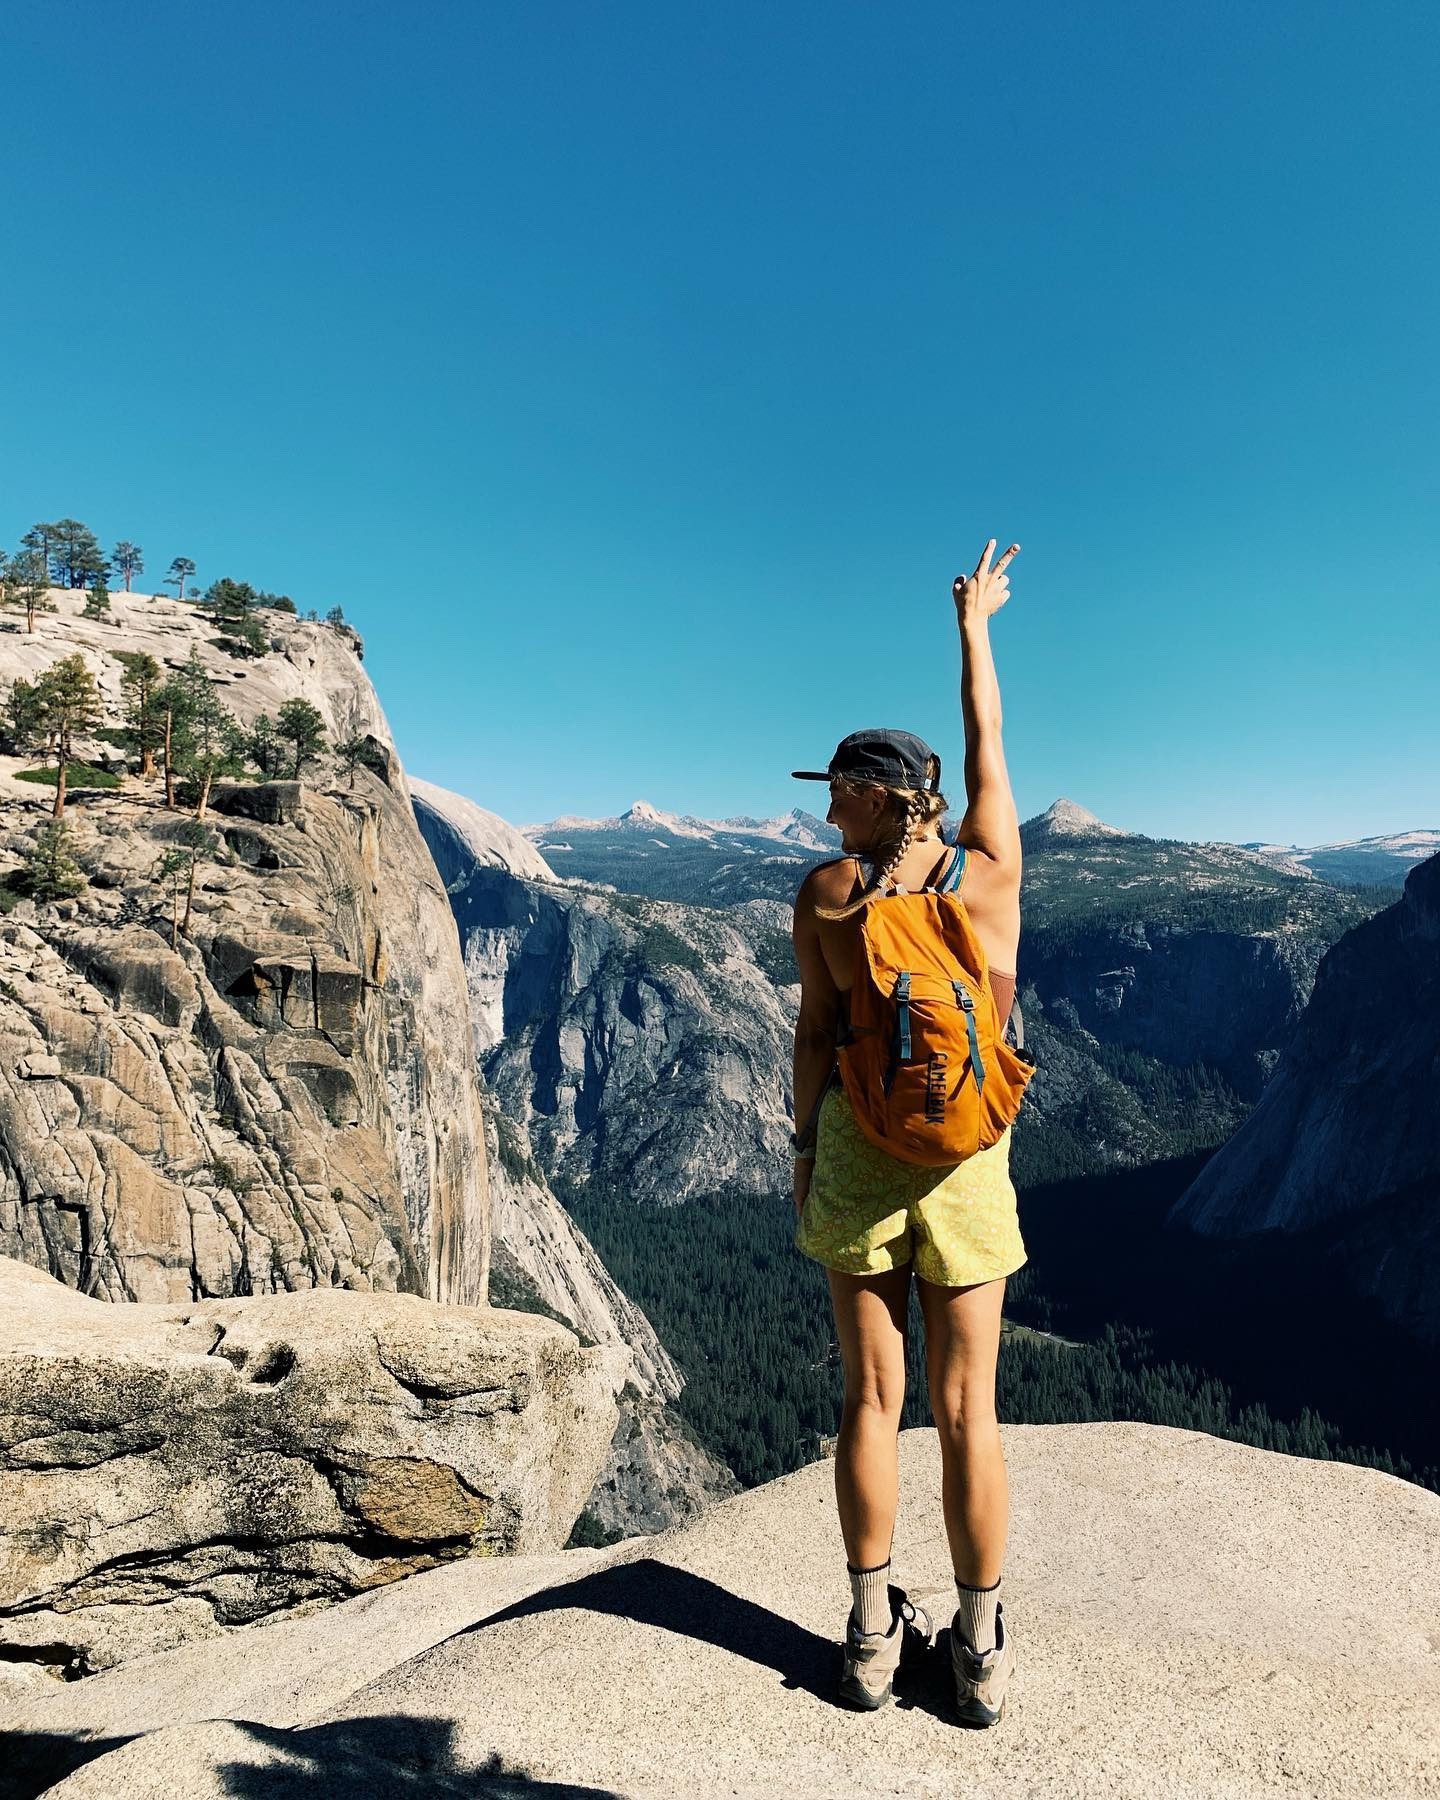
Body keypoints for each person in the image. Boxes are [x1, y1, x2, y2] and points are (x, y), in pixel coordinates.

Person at [788, 539, 1025, 1727]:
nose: (825, 806)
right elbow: (989, 750)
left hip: (859, 1159)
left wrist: (801, 1154)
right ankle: (979, 1649)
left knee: (871, 1401)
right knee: (970, 1408)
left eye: (835, 790)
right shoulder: (990, 875)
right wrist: (974, 628)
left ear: (876, 798)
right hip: (971, 1159)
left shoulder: (830, 897)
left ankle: (874, 1639)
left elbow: (817, 1037)